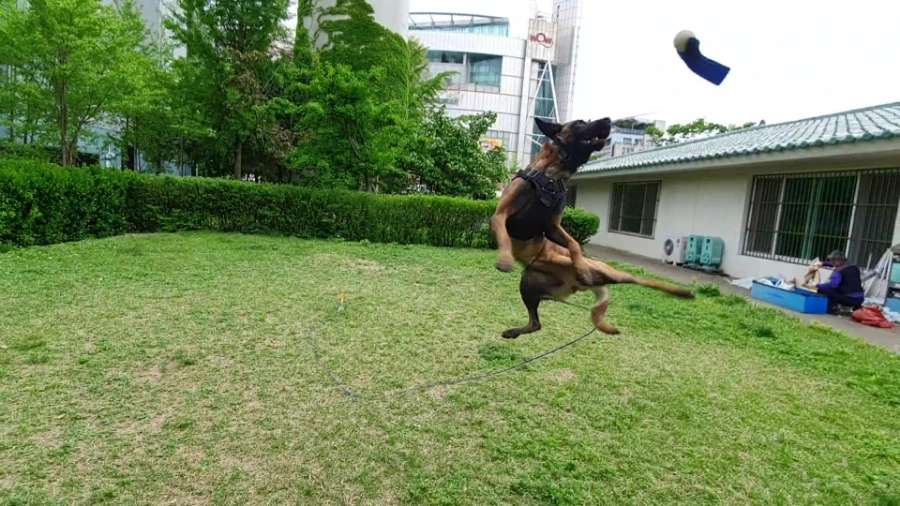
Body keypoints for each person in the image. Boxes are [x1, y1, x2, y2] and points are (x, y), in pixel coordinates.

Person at [815, 250, 865, 314]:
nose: (832, 263)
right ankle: (857, 307)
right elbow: (836, 264)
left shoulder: (838, 271)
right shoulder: (854, 266)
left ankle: (832, 309)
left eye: (833, 261)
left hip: (848, 299)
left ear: (837, 261)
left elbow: (833, 285)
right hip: (860, 299)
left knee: (824, 289)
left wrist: (818, 285)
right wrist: (823, 263)